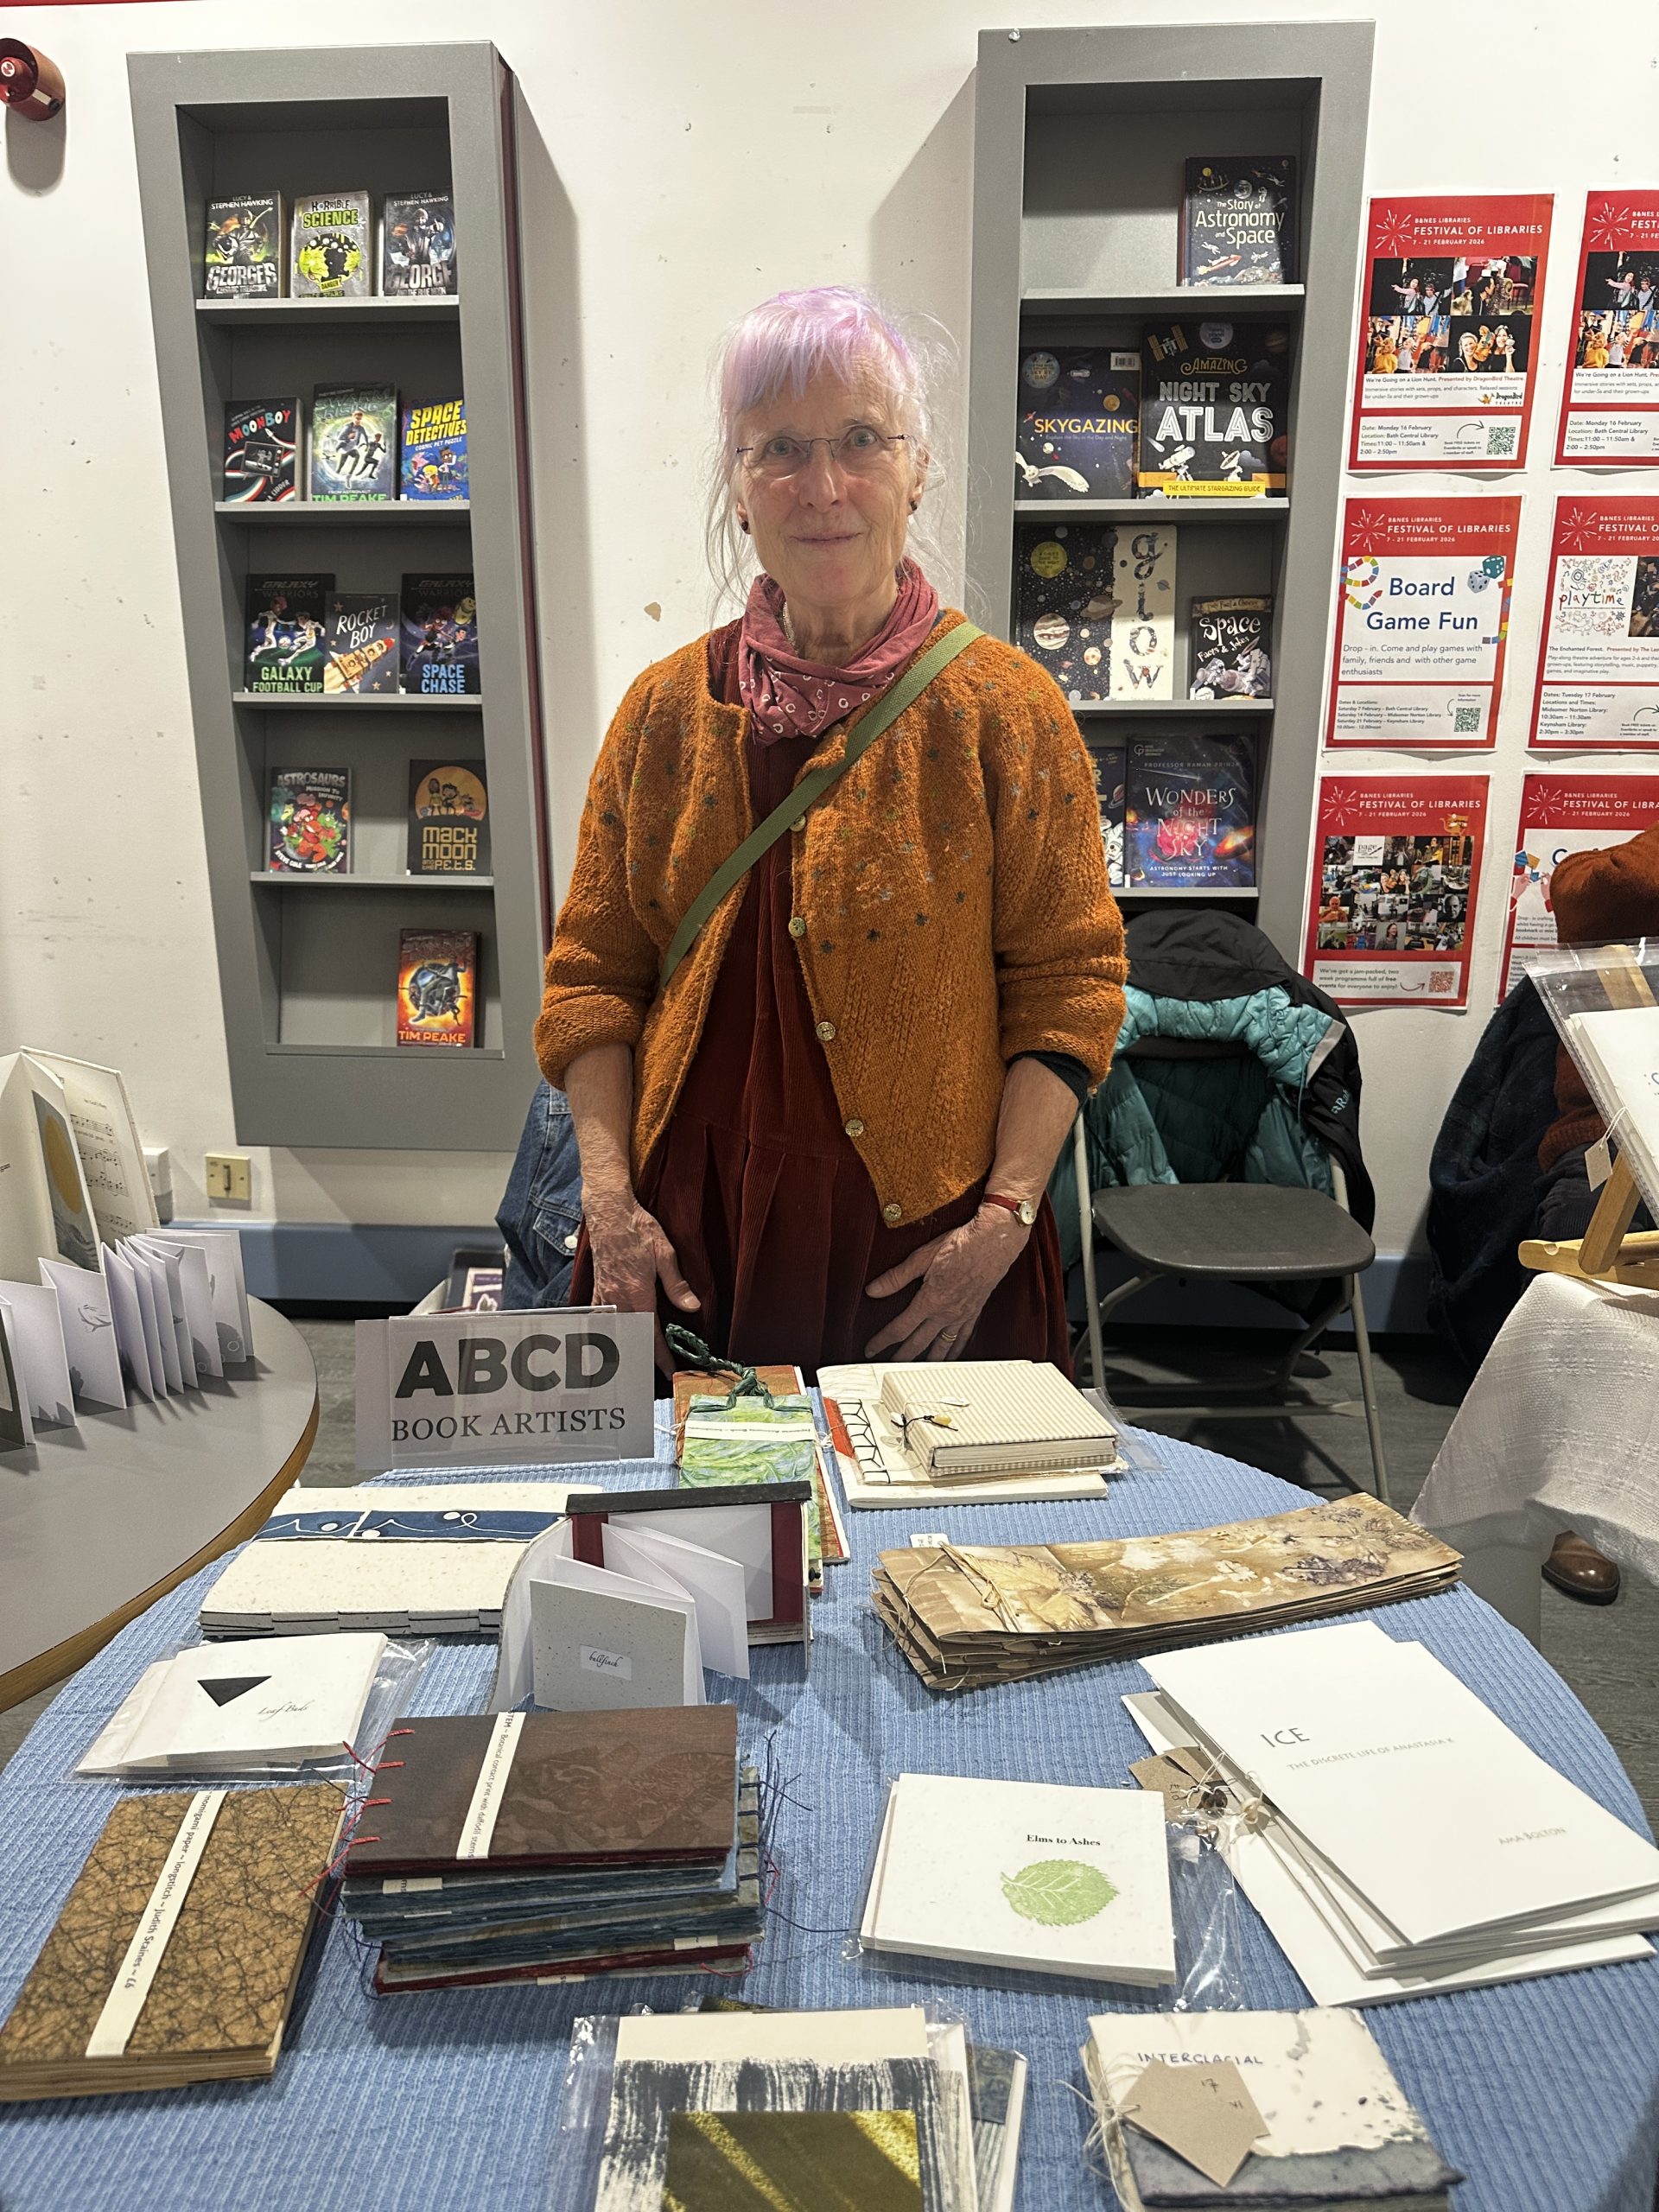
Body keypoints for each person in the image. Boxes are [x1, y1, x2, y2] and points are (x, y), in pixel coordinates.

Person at [534, 286, 1126, 1376]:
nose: (825, 487)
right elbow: (593, 980)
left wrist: (1004, 1222)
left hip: (926, 1252)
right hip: (684, 1245)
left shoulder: (1005, 711)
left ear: (918, 465)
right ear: (739, 486)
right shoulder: (666, 713)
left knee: (931, 1544)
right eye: (781, 451)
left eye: (861, 440)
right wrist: (609, 1207)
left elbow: (1071, 986)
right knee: (693, 1537)